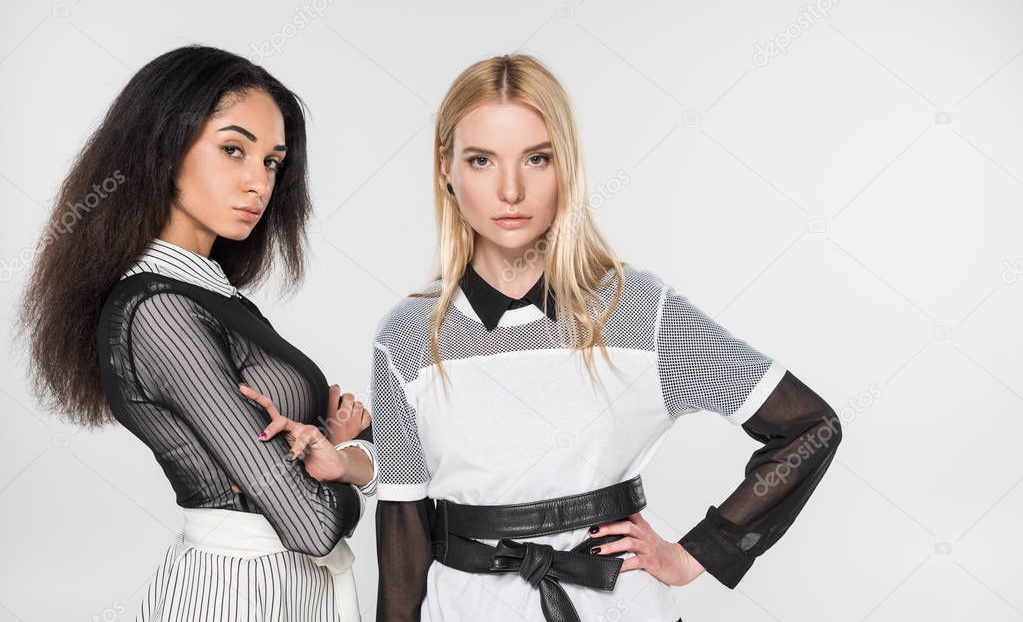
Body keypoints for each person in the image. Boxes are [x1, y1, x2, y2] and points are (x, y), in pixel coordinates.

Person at [371, 54, 843, 621]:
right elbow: (402, 527)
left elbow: (810, 427)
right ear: (446, 168)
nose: (511, 189)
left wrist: (698, 553)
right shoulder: (406, 337)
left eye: (537, 158)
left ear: (565, 165)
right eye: (481, 160)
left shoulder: (639, 311)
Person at [19, 45, 377, 621]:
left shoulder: (210, 292)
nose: (258, 182)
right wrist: (342, 463)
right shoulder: (159, 310)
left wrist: (332, 454)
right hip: (238, 596)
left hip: (283, 591)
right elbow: (310, 525)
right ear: (162, 148)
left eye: (271, 162)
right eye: (233, 150)